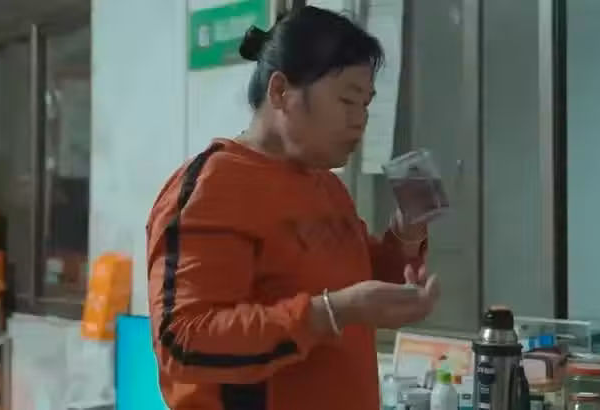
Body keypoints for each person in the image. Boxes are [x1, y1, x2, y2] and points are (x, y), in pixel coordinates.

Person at [147, 6, 439, 410]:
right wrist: (330, 313)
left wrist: (406, 236)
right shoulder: (214, 187)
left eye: (366, 105)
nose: (360, 121)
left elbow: (355, 286)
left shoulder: (326, 186)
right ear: (281, 91)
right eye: (347, 100)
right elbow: (184, 339)